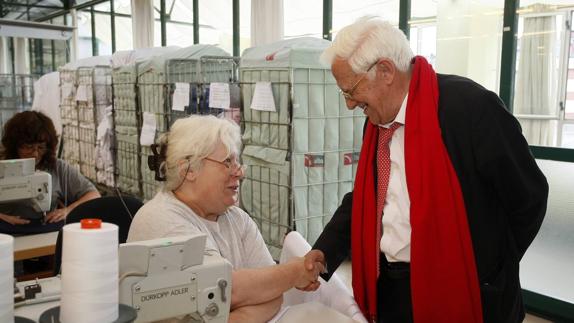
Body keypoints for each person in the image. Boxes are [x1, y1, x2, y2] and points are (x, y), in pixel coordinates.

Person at [303, 17, 549, 323]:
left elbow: (529, 197)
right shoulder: (378, 121)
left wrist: (493, 267)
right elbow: (368, 199)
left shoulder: (470, 109)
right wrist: (325, 251)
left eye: (350, 90)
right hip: (392, 293)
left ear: (385, 71)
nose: (350, 105)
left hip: (466, 292)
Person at [128, 115, 323, 323]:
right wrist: (293, 273)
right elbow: (225, 288)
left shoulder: (237, 218)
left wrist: (240, 309)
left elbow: (272, 292)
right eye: (227, 162)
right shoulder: (160, 219)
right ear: (189, 169)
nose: (239, 172)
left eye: (237, 161)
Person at [0, 111, 101, 234]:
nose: (35, 154)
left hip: (46, 231)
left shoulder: (57, 167)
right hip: (5, 232)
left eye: (41, 147)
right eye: (28, 147)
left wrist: (67, 210)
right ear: (15, 145)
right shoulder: (3, 167)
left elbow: (93, 194)